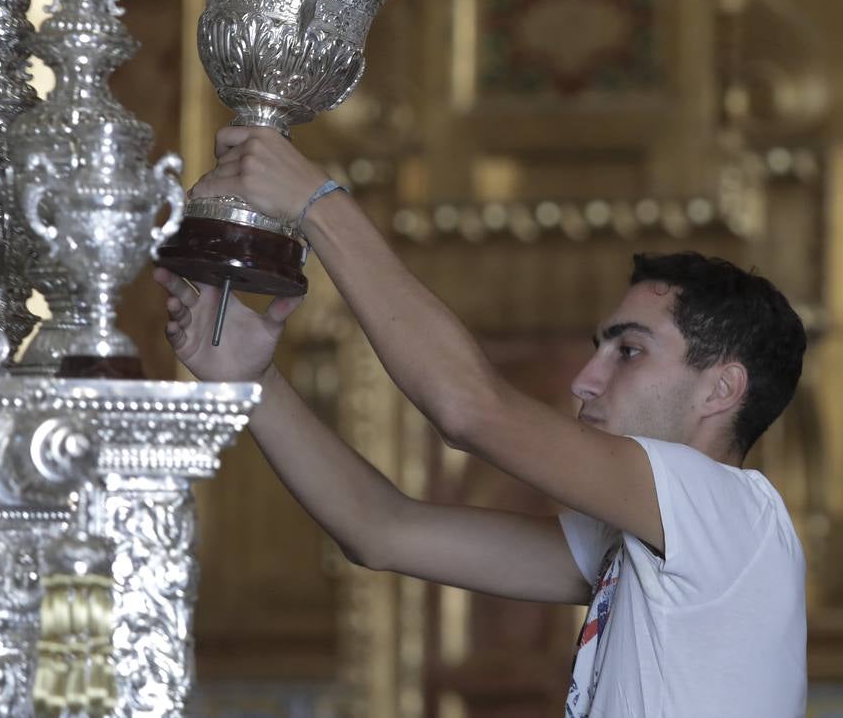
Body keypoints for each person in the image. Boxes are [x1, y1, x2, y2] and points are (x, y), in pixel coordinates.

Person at [156, 125, 809, 718]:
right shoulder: (644, 545)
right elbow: (381, 531)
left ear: (721, 388)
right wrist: (253, 381)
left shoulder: (730, 510)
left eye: (629, 351)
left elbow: (468, 410)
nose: (584, 381)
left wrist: (317, 203)